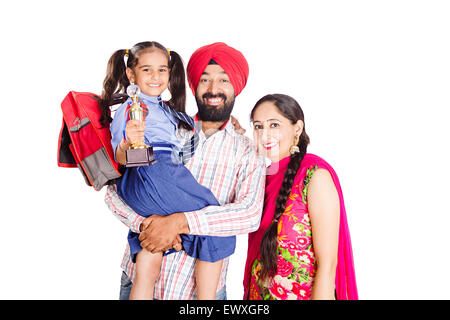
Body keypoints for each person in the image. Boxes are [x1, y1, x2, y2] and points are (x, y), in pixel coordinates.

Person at [104, 42, 266, 300]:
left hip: (200, 293)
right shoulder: (170, 128)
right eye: (205, 79)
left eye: (224, 80)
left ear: (237, 86)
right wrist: (148, 227)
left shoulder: (247, 150)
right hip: (141, 282)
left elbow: (249, 214)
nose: (214, 89)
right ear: (193, 85)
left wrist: (178, 224)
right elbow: (114, 191)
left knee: (218, 238)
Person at [243, 94, 358, 300]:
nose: (265, 134)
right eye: (258, 127)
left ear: (297, 128)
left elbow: (328, 265)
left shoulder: (314, 175)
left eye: (274, 125)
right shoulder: (261, 179)